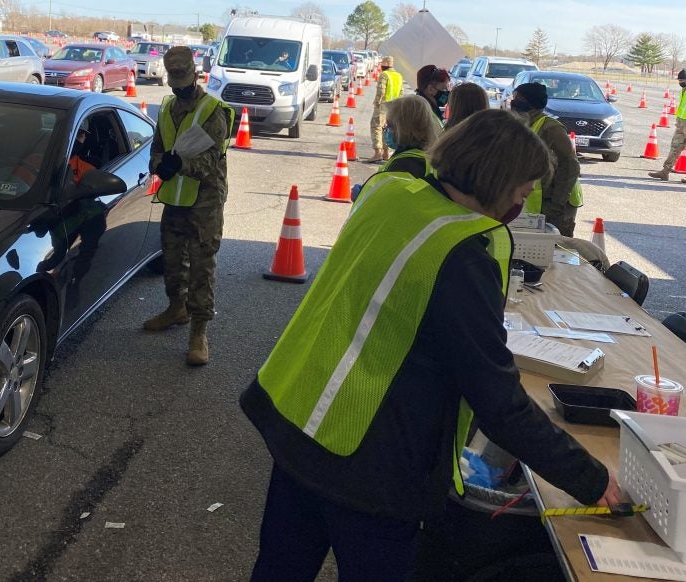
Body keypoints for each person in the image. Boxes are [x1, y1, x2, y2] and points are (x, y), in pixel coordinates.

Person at [240, 109, 619, 581]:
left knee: (280, 566)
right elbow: (496, 398)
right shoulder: (461, 250)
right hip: (366, 455)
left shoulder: (389, 190)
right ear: (498, 182)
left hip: (298, 418)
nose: (519, 206)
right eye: (520, 193)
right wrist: (591, 478)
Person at [143, 46, 234, 366]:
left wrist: (178, 165)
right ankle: (175, 309)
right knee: (171, 261)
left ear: (195, 74)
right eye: (174, 79)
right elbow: (156, 147)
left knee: (201, 266)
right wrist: (159, 164)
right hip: (175, 199)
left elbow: (210, 160)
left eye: (183, 77)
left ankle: (199, 332)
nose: (178, 84)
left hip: (205, 202)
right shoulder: (167, 107)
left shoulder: (213, 110)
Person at [511, 82, 581, 237]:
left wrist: (557, 204)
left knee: (557, 245)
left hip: (557, 201)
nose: (513, 101)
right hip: (539, 201)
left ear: (530, 102)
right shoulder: (525, 123)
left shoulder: (551, 128)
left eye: (518, 98)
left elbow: (570, 165)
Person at [377, 95, 439, 178]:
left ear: (403, 128)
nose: (386, 130)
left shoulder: (403, 165)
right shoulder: (428, 155)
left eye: (390, 126)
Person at [649, 68, 686, 184]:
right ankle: (665, 172)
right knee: (675, 147)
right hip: (681, 123)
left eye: (682, 80)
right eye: (679, 80)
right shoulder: (683, 90)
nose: (680, 82)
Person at [365, 55, 403, 163]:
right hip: (394, 107)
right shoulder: (399, 76)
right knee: (387, 129)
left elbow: (381, 90)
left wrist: (377, 102)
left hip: (383, 106)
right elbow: (401, 92)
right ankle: (386, 153)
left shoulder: (384, 75)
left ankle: (378, 152)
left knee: (376, 127)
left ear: (384, 65)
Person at [415, 64, 450, 129]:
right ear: (430, 89)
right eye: (444, 88)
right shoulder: (425, 115)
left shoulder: (419, 106)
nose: (447, 92)